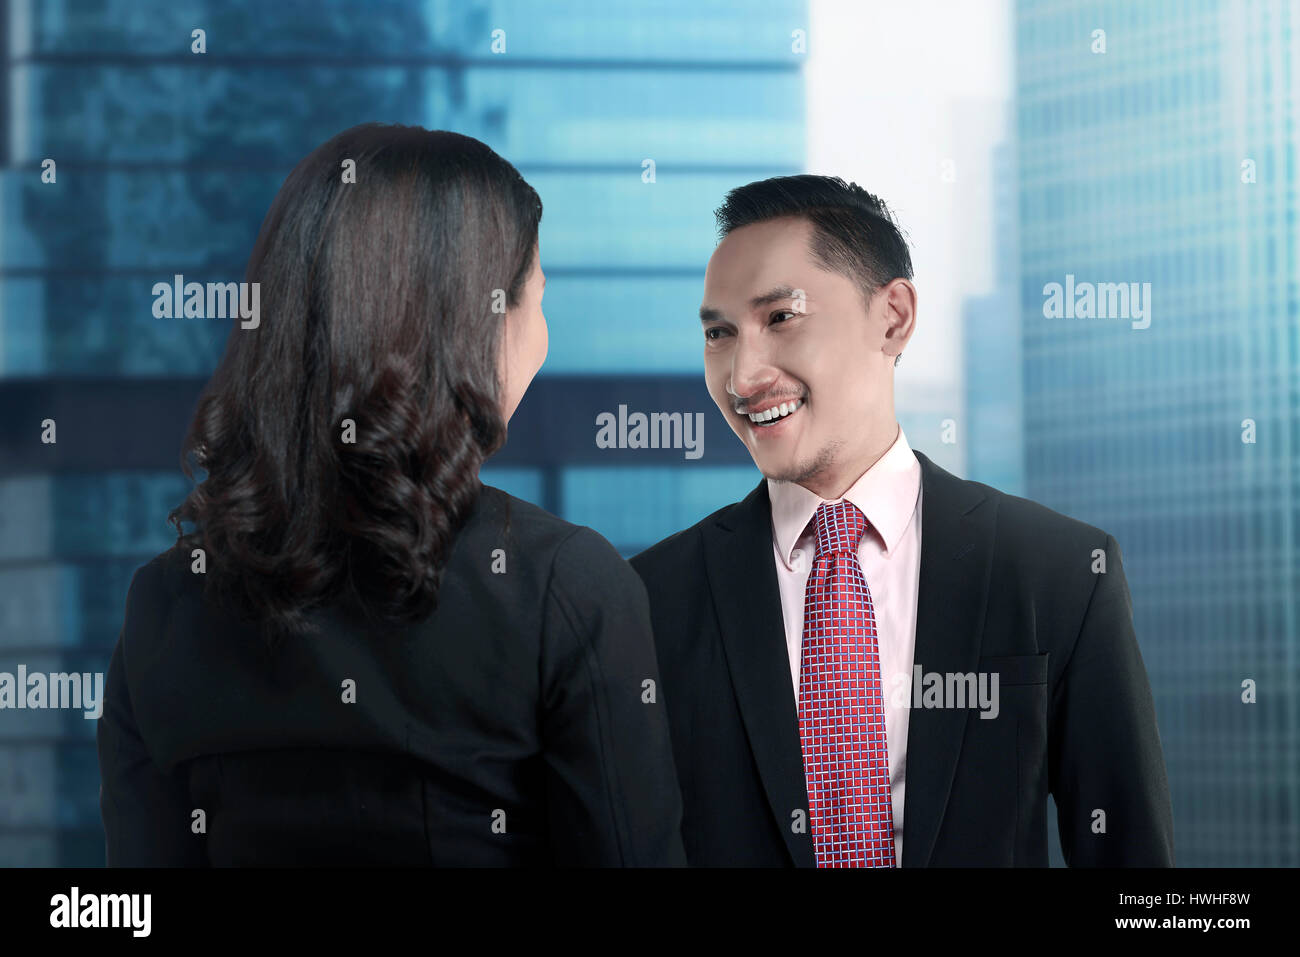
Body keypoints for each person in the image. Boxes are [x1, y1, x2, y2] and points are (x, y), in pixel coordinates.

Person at [97, 123, 686, 867]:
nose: (542, 335)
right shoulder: (565, 588)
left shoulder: (162, 604)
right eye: (536, 297)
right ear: (470, 326)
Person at [630, 174, 1175, 867]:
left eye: (780, 318)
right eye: (719, 333)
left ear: (892, 317)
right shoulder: (649, 598)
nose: (743, 375)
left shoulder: (1057, 572)